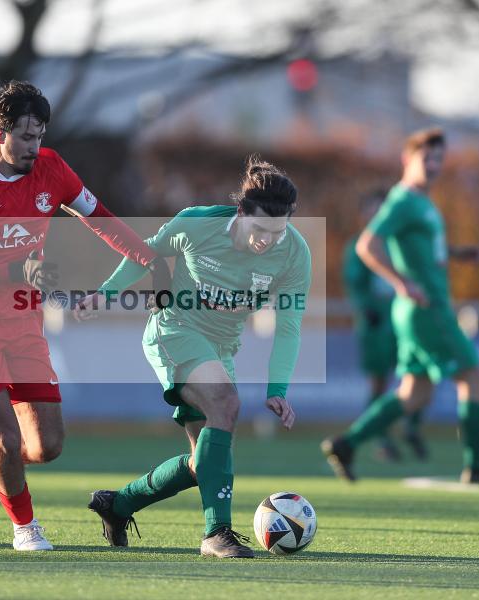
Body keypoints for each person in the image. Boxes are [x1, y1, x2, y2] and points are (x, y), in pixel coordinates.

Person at [0, 80, 168, 551]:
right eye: (25, 136)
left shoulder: (52, 169)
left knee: (46, 446)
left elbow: (98, 218)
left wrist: (151, 260)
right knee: (6, 438)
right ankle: (25, 529)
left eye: (39, 135)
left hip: (21, 317)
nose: (34, 146)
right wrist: (17, 269)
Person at [74, 156, 311, 558]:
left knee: (206, 464)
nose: (266, 241)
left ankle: (119, 505)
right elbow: (145, 253)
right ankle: (217, 534)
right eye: (259, 229)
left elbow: (288, 326)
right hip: (175, 331)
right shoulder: (196, 224)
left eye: (277, 231)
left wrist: (278, 389)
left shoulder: (294, 253)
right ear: (241, 212)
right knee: (226, 403)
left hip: (221, 348)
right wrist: (106, 292)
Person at [322, 128, 479, 484]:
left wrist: (456, 253)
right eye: (426, 158)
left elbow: (423, 250)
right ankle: (477, 465)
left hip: (415, 310)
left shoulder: (422, 202)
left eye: (439, 159)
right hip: (427, 308)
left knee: (414, 393)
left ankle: (346, 444)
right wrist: (402, 282)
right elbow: (368, 245)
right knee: (474, 378)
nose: (433, 165)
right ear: (407, 159)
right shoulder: (402, 200)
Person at [342, 189, 427, 462]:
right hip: (376, 324)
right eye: (372, 209)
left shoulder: (398, 243)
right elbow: (356, 285)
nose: (377, 214)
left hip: (404, 319)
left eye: (382, 209)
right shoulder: (359, 246)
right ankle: (381, 437)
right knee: (379, 382)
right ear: (363, 214)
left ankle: (411, 427)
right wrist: (366, 308)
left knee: (418, 375)